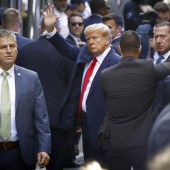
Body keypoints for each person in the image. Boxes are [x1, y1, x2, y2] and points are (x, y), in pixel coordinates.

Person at [42, 3, 121, 167]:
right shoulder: (85, 55)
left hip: (106, 129)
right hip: (84, 124)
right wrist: (50, 30)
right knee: (90, 164)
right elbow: (64, 48)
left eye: (95, 38)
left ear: (107, 40)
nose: (90, 42)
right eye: (89, 38)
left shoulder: (116, 62)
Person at [98, 25, 170, 170]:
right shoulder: (149, 68)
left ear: (120, 50)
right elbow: (167, 66)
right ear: (139, 49)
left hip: (115, 142)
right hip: (142, 142)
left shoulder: (105, 75)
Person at [15, 19, 82, 169]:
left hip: (29, 120)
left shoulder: (24, 51)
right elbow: (74, 88)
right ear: (57, 30)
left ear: (39, 29)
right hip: (59, 121)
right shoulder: (68, 54)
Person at [0, 29, 51, 170]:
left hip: (20, 153)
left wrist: (44, 148)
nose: (9, 51)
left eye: (12, 46)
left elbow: (41, 117)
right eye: (3, 47)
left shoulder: (31, 78)